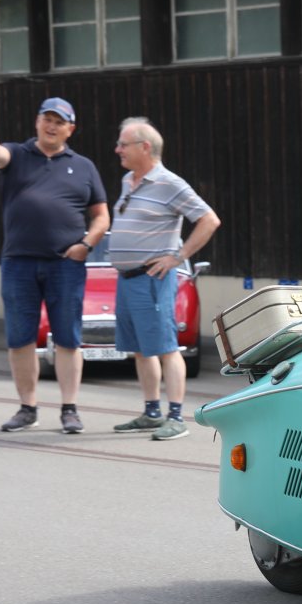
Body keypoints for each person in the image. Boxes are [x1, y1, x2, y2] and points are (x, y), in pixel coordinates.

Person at [0, 98, 109, 433]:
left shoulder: (83, 166)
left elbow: (101, 216)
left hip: (65, 264)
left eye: (59, 121)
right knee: (20, 338)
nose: (51, 126)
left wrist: (86, 245)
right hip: (19, 263)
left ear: (70, 129)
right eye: (47, 119)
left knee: (68, 338)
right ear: (37, 122)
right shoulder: (17, 154)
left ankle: (70, 409)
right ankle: (27, 408)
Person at [106, 117, 221, 441]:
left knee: (167, 348)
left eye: (123, 144)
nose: (117, 150)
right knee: (142, 350)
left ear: (145, 147)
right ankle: (152, 412)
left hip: (152, 279)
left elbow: (209, 220)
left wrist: (178, 257)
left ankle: (176, 417)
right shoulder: (128, 180)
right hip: (128, 278)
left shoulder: (170, 183)